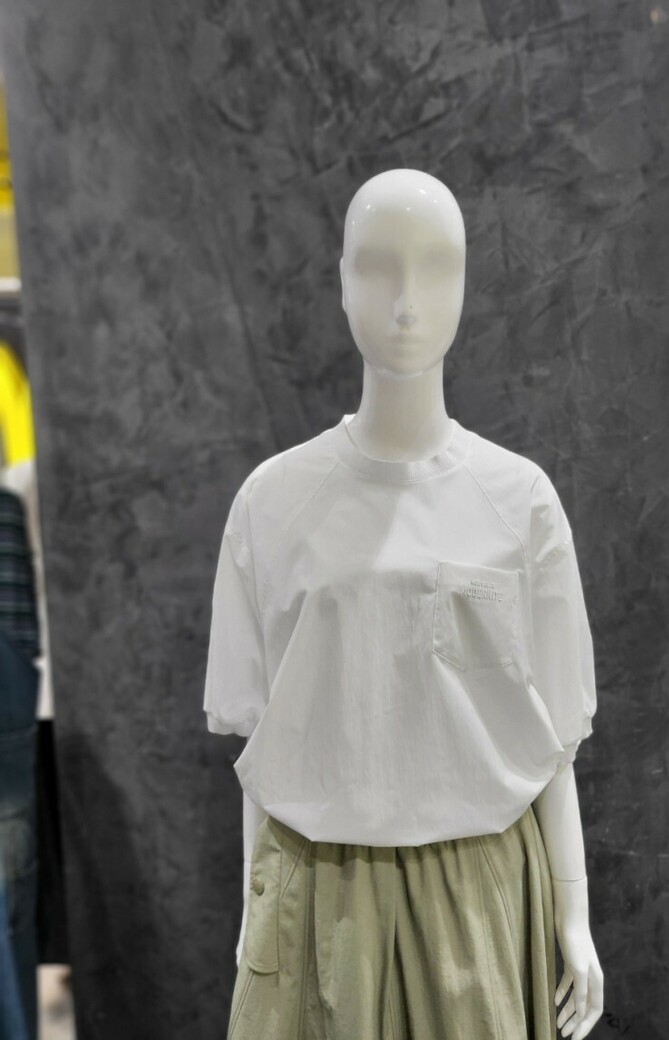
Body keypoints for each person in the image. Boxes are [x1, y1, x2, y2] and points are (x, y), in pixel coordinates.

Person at [204, 169, 603, 1040]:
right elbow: (260, 746)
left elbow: (552, 743)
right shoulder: (271, 502)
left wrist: (573, 912)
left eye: (437, 266)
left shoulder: (519, 501)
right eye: (379, 265)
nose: (407, 302)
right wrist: (252, 910)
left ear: (467, 282)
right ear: (342, 281)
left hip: (476, 894)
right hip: (315, 892)